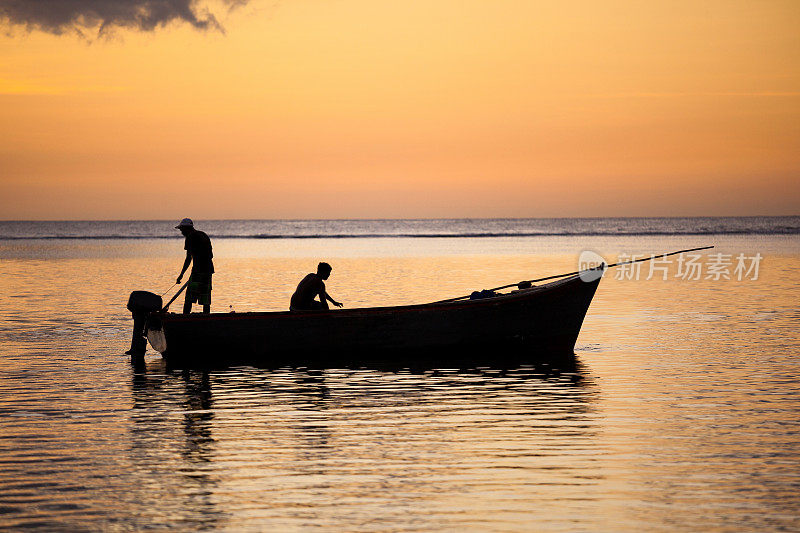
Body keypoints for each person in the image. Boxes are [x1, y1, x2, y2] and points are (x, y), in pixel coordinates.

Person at [175, 218, 214, 313]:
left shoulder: (190, 237)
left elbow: (188, 258)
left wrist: (181, 274)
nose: (181, 232)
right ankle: (206, 319)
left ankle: (185, 319)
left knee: (189, 298)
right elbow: (211, 255)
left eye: (181, 230)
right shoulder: (203, 234)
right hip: (208, 270)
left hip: (198, 271)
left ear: (186, 228)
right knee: (205, 298)